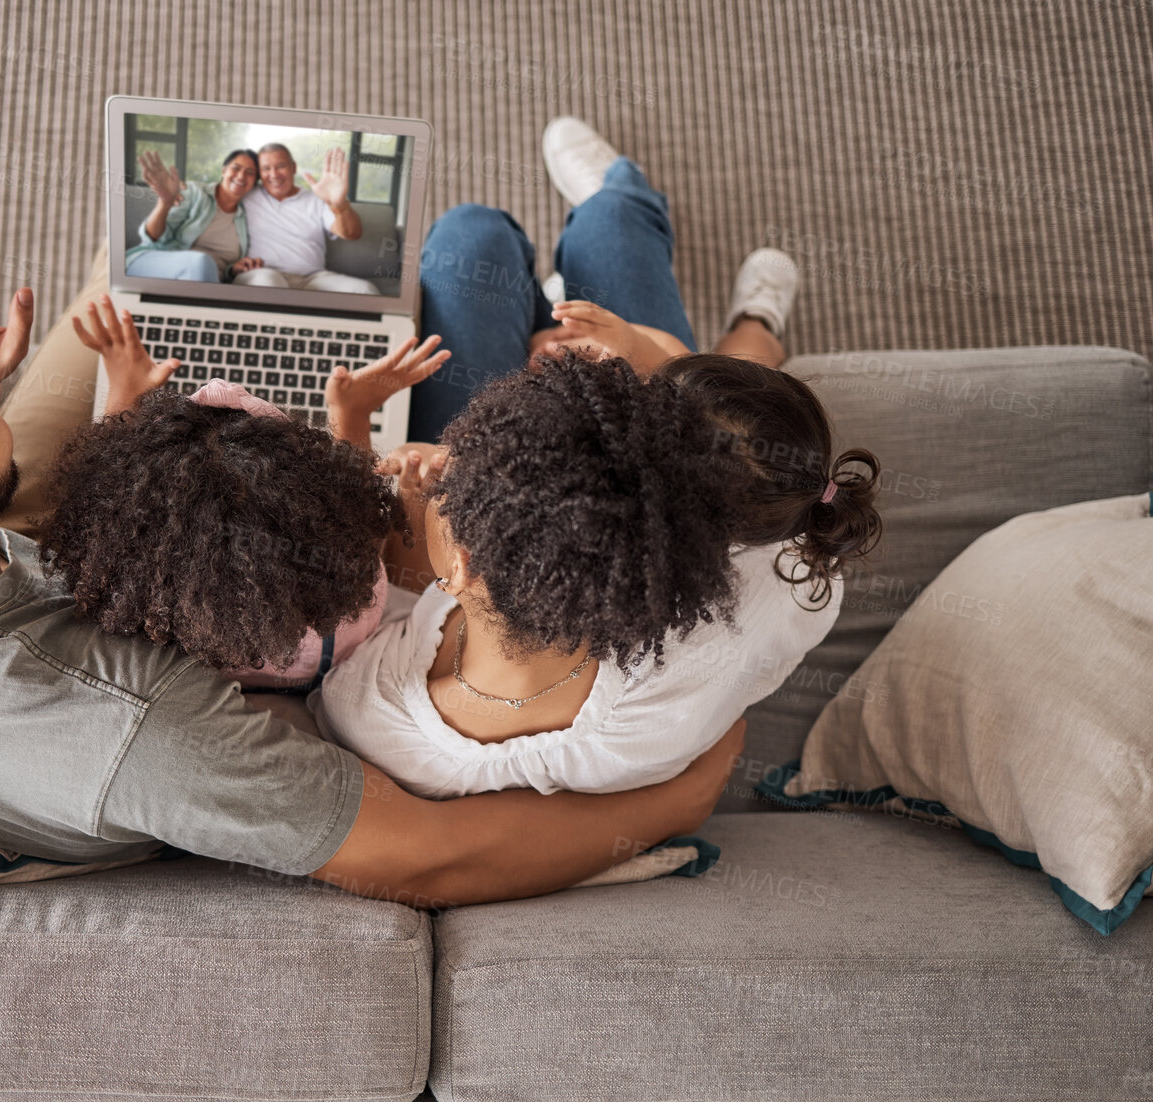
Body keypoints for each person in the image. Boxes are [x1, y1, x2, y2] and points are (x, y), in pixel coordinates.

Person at [0, 202, 744, 909]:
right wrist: (687, 790)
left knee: (141, 269)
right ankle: (725, 318)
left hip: (58, 538)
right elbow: (436, 860)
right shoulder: (140, 728)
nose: (1, 386)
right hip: (139, 614)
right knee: (475, 251)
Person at [314, 349, 883, 799]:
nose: (438, 466)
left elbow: (393, 581)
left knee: (478, 236)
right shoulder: (790, 570)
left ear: (461, 570)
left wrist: (351, 426)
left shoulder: (371, 716)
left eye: (447, 491)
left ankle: (751, 327)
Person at [40, 295, 450, 692]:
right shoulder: (346, 595)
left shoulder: (147, 616)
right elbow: (360, 530)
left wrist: (124, 395)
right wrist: (352, 412)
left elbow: (116, 506)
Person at [405, 116, 802, 443]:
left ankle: (607, 215)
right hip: (632, 420)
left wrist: (541, 382)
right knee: (613, 220)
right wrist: (623, 347)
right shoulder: (703, 449)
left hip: (492, 459)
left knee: (472, 233)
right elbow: (686, 383)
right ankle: (757, 319)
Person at [233, 143, 380, 294]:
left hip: (313, 279)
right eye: (266, 168)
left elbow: (352, 233)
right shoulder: (246, 196)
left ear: (293, 167)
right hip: (262, 274)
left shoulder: (316, 199)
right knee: (269, 283)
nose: (274, 174)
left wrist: (339, 204)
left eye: (280, 166)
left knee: (366, 290)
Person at [125, 149, 264, 282]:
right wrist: (165, 203)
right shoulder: (195, 192)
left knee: (204, 267)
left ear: (254, 183)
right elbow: (153, 238)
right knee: (201, 262)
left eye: (250, 172)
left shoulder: (245, 218)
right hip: (156, 261)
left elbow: (222, 270)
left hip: (205, 282)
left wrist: (232, 270)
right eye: (236, 168)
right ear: (224, 171)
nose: (241, 176)